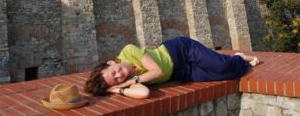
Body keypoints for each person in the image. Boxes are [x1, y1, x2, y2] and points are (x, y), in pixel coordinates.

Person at [84, 36, 258, 99]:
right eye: (115, 80)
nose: (118, 76)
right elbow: (144, 93)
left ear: (110, 63)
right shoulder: (126, 82)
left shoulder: (129, 51)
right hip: (181, 72)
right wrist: (117, 90)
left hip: (181, 50)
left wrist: (129, 82)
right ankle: (241, 61)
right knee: (228, 75)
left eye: (113, 72)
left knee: (222, 66)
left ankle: (237, 57)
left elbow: (157, 71)